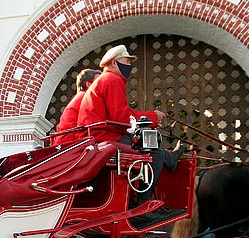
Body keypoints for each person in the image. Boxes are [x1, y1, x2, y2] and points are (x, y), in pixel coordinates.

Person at [76, 44, 181, 225]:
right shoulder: (112, 79)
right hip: (105, 136)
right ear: (115, 63)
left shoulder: (104, 81)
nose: (129, 65)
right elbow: (121, 117)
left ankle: (166, 159)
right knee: (154, 149)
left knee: (150, 140)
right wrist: (153, 117)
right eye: (127, 61)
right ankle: (142, 204)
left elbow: (119, 115)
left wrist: (148, 120)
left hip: (97, 135)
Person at [54, 68, 99, 144]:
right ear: (88, 84)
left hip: (63, 140)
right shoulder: (86, 97)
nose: (101, 85)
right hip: (70, 141)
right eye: (98, 82)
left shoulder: (81, 96)